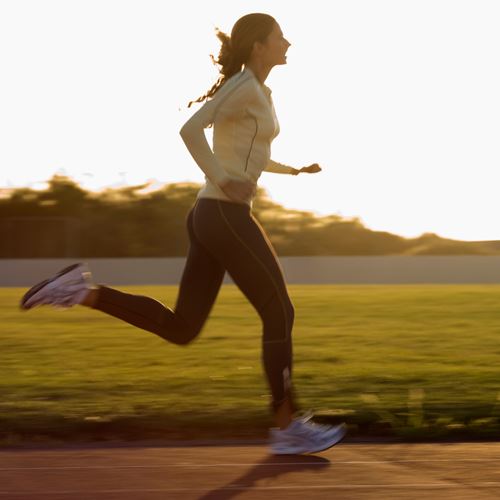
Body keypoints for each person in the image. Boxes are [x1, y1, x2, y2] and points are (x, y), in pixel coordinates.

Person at [20, 12, 346, 455]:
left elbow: (248, 152)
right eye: (280, 36)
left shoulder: (257, 91)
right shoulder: (245, 86)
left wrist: (291, 170)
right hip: (223, 214)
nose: (288, 43)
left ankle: (80, 292)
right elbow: (191, 130)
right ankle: (286, 426)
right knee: (279, 310)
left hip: (212, 215)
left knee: (182, 327)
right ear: (259, 46)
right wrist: (222, 177)